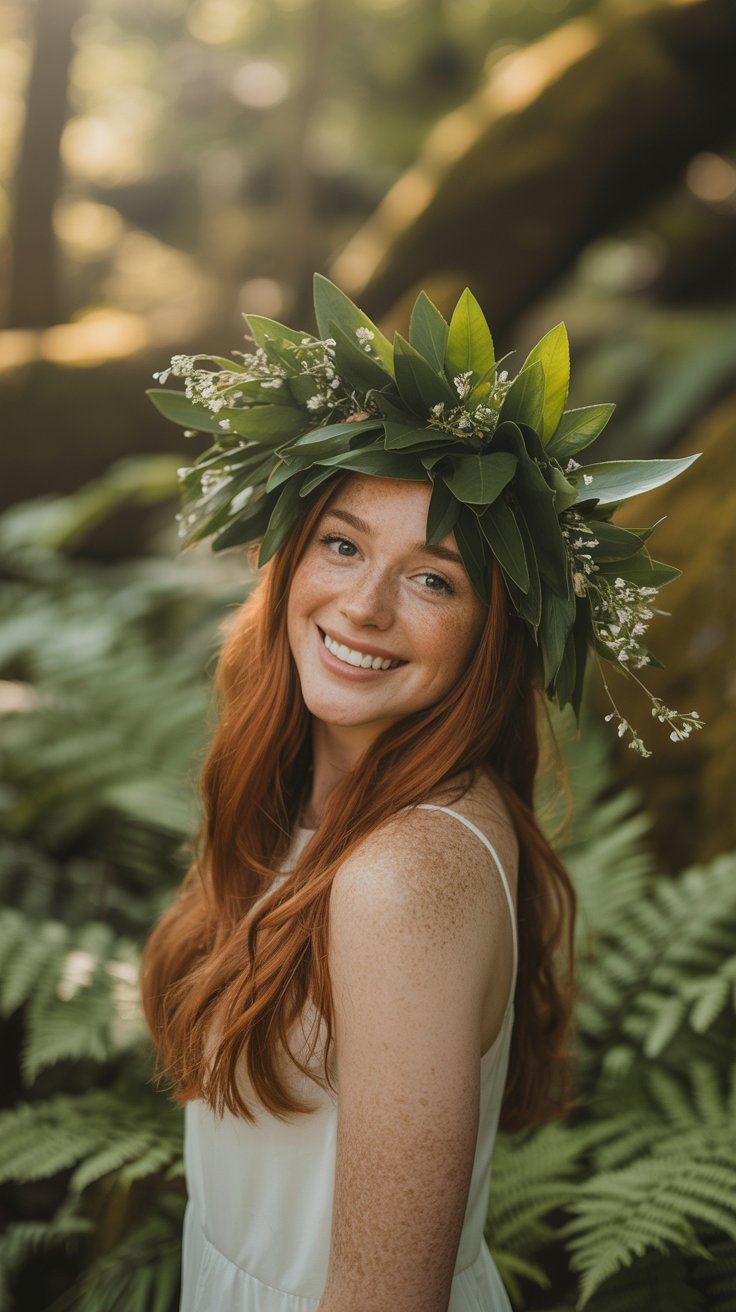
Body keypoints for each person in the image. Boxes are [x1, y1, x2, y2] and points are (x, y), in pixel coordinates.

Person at [141, 275, 700, 1311]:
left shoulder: (402, 871)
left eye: (434, 577)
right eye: (343, 543)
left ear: (494, 634)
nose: (362, 604)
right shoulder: (325, 814)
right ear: (289, 556)